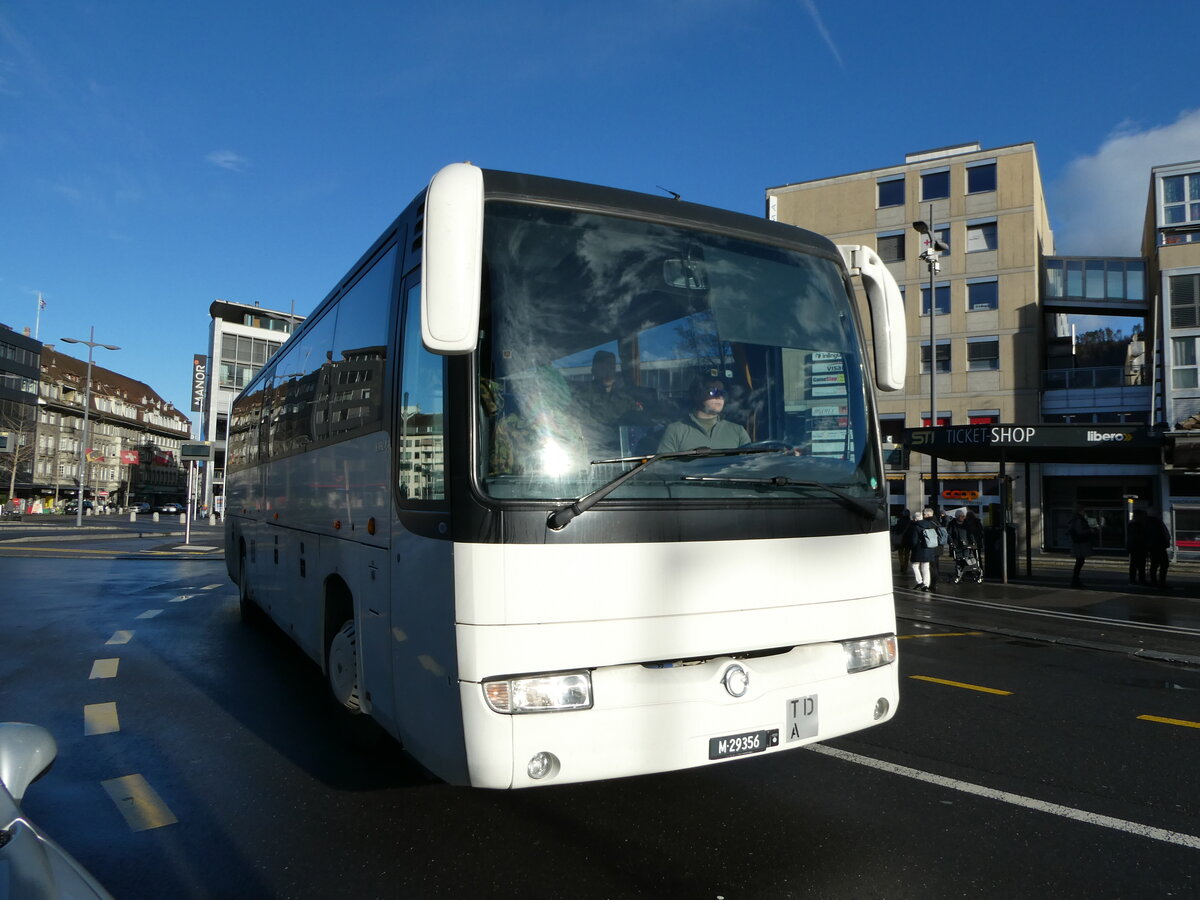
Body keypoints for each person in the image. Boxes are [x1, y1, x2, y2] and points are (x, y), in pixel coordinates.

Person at [574, 350, 645, 456]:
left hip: (622, 450)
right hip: (593, 450)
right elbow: (583, 425)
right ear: (593, 371)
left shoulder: (624, 396)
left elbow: (638, 419)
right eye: (603, 368)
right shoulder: (582, 396)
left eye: (611, 367)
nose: (608, 372)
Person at [657, 379, 750, 453]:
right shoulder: (676, 430)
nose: (719, 397)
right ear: (697, 395)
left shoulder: (738, 432)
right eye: (714, 392)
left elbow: (749, 467)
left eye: (723, 393)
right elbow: (664, 468)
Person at [908, 507, 940, 591]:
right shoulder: (930, 525)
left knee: (915, 566)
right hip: (929, 549)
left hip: (918, 549)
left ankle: (920, 582)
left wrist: (911, 546)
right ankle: (926, 584)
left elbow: (914, 540)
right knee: (925, 567)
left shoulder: (916, 526)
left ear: (915, 519)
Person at [1067, 504, 1096, 588]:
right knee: (1080, 561)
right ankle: (1075, 580)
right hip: (1080, 543)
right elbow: (1080, 531)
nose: (1084, 512)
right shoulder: (1078, 519)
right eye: (1083, 511)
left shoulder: (1075, 519)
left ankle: (1075, 580)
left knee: (1080, 561)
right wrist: (1089, 531)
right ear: (1080, 511)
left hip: (1078, 542)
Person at [1146, 507, 1172, 589]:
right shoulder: (1156, 522)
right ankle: (1161, 582)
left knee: (1155, 564)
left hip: (1155, 547)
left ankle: (1155, 581)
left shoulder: (1151, 522)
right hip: (1158, 547)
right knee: (1163, 564)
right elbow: (1162, 535)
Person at [1126, 508, 1148, 586]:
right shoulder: (1137, 525)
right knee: (1138, 565)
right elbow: (1136, 537)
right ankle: (1138, 579)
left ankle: (1135, 579)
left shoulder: (1133, 524)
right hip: (1137, 547)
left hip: (1135, 547)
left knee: (1136, 565)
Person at [892, 509, 913, 576]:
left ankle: (902, 565)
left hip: (900, 540)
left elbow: (896, 530)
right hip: (908, 540)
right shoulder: (910, 522)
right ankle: (905, 567)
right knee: (907, 554)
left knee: (900, 553)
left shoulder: (899, 521)